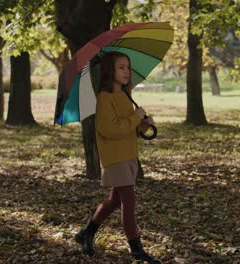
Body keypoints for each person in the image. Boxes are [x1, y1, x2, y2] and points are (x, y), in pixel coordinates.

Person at [74, 51, 160, 264]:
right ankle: (136, 248)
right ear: (109, 71)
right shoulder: (104, 98)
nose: (126, 71)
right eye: (121, 67)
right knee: (128, 202)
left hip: (128, 155)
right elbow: (110, 129)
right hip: (115, 158)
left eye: (128, 67)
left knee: (114, 201)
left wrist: (143, 124)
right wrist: (134, 117)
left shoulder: (124, 95)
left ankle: (87, 233)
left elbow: (128, 127)